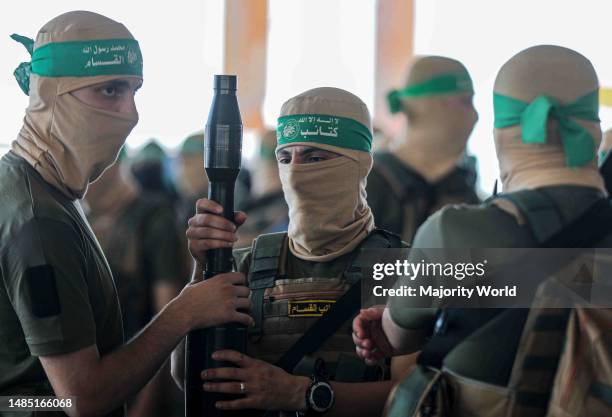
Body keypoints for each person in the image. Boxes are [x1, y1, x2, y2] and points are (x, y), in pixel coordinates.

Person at [0, 11, 252, 417]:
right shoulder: (38, 218)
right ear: (52, 93)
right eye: (110, 91)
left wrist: (200, 271)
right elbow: (83, 398)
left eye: (133, 92)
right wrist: (185, 311)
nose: (129, 113)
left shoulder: (37, 191)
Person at [353, 45, 612, 416]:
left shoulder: (452, 235)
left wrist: (385, 327)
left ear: (504, 131)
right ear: (592, 128)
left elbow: (396, 336)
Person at [172, 87, 410, 416]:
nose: (296, 173)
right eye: (285, 158)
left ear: (359, 164)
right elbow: (188, 376)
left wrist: (304, 394)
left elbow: (418, 396)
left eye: (315, 158)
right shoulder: (244, 265)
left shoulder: (405, 268)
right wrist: (203, 269)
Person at [84, 149, 187, 417]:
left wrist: (144, 409)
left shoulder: (154, 218)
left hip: (137, 384)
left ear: (112, 164)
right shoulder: (83, 218)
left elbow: (168, 322)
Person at [367, 56, 480, 243]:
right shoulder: (370, 182)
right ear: (428, 107)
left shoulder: (462, 183)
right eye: (465, 102)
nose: (475, 116)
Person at [235, 129, 289, 248]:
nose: (270, 162)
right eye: (263, 152)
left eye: (283, 157)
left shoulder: (293, 212)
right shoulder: (243, 208)